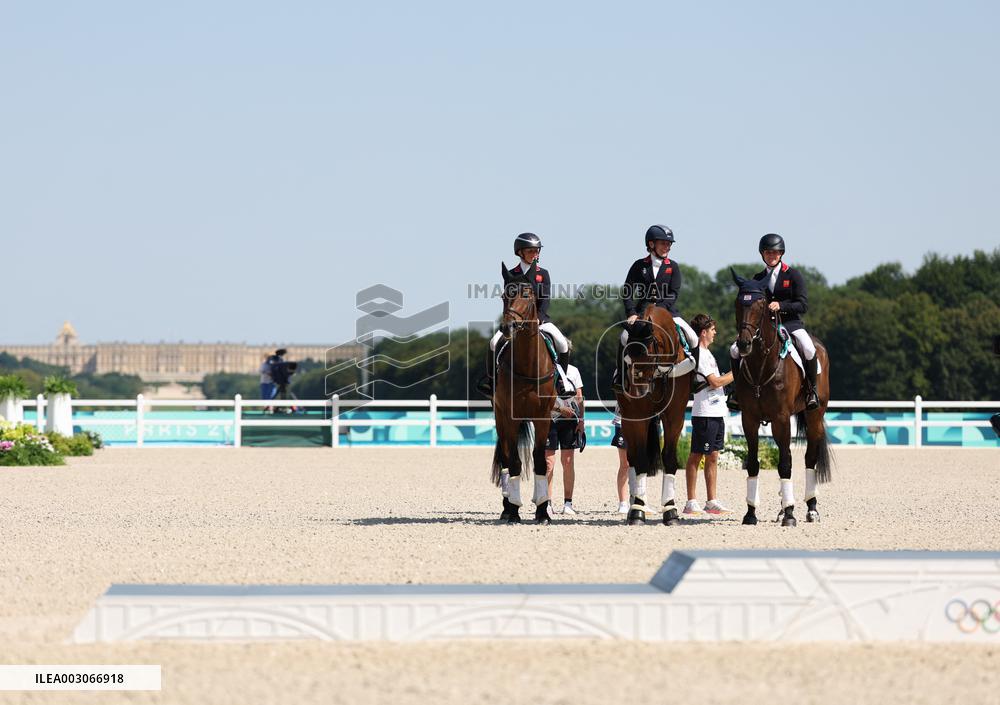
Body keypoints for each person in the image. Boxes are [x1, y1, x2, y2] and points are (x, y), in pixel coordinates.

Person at [727, 233, 820, 411]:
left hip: (790, 323)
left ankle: (811, 391)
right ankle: (737, 392)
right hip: (764, 327)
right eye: (768, 253)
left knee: (808, 348)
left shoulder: (793, 275)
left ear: (781, 254)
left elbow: (802, 304)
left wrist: (782, 305)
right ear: (762, 254)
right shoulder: (757, 278)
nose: (772, 256)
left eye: (775, 253)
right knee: (734, 349)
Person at [478, 233, 573, 396]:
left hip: (540, 320)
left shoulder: (543, 273)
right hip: (515, 320)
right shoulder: (511, 274)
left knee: (562, 343)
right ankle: (491, 381)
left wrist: (539, 318)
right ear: (520, 252)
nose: (535, 254)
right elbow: (509, 300)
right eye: (531, 251)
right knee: (494, 343)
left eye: (537, 251)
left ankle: (561, 382)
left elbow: (545, 299)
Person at [613, 225, 699, 392]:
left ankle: (695, 377)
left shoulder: (672, 266)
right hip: (641, 312)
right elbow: (627, 291)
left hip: (668, 312)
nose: (667, 247)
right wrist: (631, 313)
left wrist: (659, 310)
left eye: (669, 244)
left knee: (693, 338)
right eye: (663, 243)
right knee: (623, 338)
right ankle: (621, 376)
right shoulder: (639, 265)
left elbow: (674, 293)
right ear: (651, 244)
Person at [683, 314, 734, 516]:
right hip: (704, 412)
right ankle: (690, 501)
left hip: (717, 411)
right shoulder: (701, 355)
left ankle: (711, 501)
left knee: (713, 456)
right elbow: (715, 382)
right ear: (703, 332)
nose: (715, 333)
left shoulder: (709, 354)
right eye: (713, 329)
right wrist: (736, 372)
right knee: (696, 455)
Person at [546, 361, 585, 514]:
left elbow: (579, 397)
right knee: (548, 462)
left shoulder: (574, 371)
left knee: (568, 462)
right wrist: (560, 409)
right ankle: (547, 503)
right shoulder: (544, 368)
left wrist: (581, 420)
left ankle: (568, 503)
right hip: (549, 419)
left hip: (570, 420)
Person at [610, 404, 630, 514]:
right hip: (622, 419)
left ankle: (640, 500)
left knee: (641, 463)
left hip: (642, 420)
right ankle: (623, 502)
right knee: (625, 463)